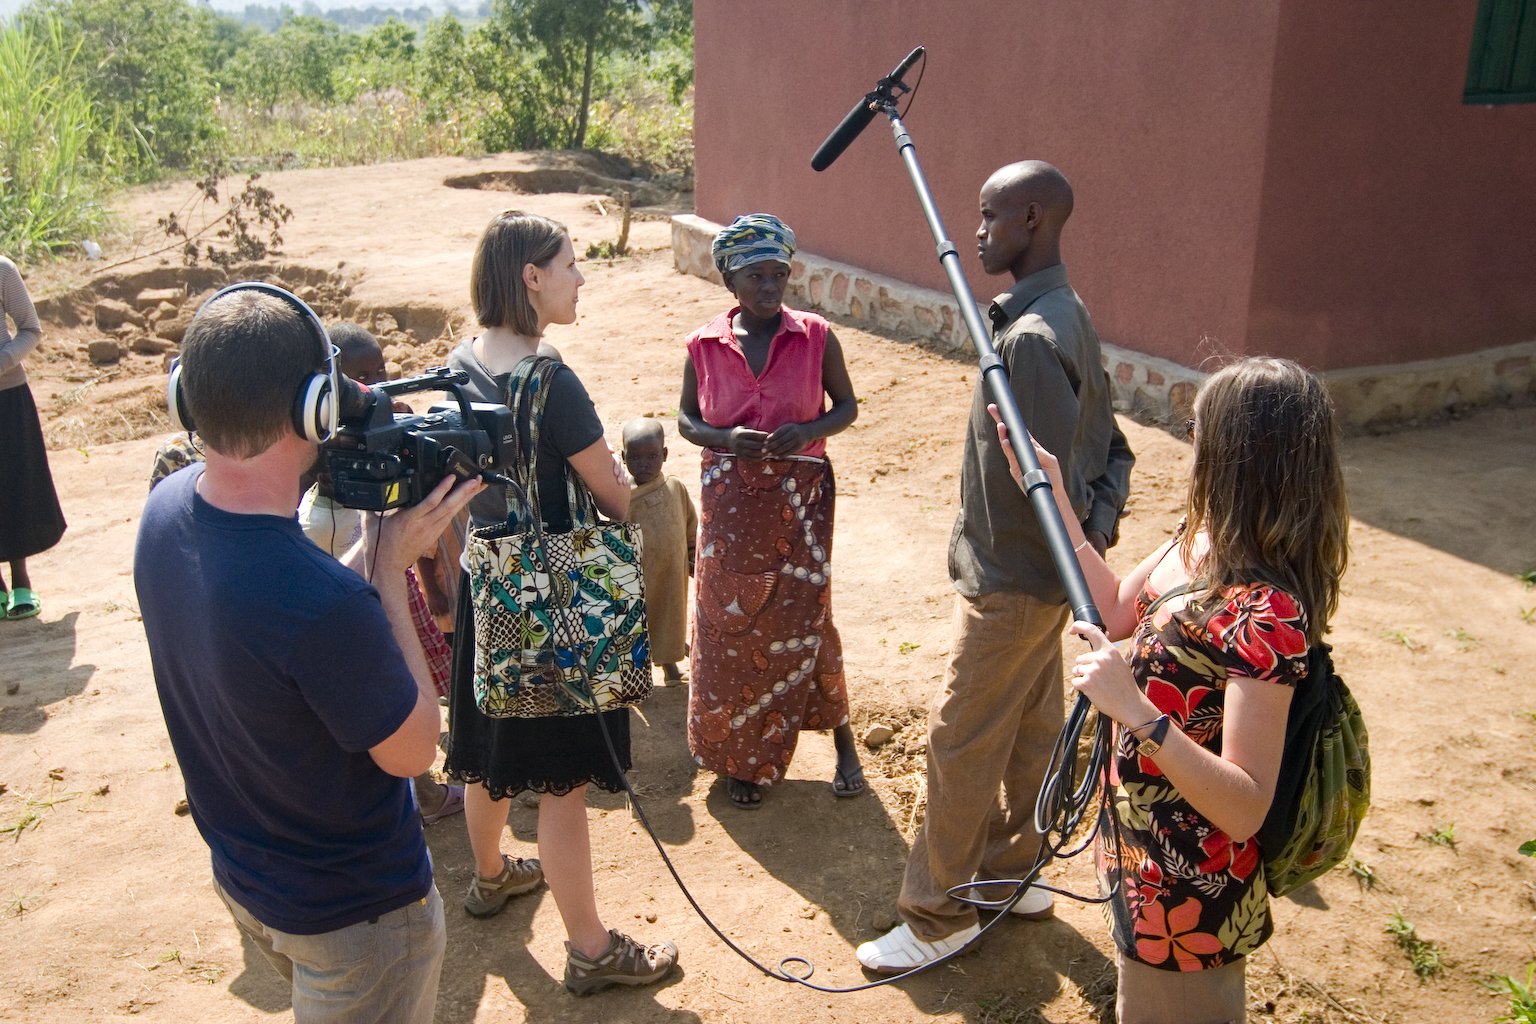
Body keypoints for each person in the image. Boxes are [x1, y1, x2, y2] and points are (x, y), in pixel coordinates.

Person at [134, 285, 483, 1023]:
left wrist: (365, 558)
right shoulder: (327, 604)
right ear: (316, 409)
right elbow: (415, 749)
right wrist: (387, 574)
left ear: (186, 398)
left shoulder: (164, 514)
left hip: (251, 879)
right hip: (358, 919)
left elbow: (287, 641)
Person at [993, 357, 1348, 1023]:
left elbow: (1244, 807)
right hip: (1143, 856)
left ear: (1236, 456)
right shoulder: (1200, 542)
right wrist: (1050, 493)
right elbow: (1116, 608)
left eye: (1199, 432)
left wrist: (1137, 712)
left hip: (1193, 892)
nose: (1188, 447)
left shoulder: (1267, 610)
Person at [859, 161, 1135, 971]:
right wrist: (1089, 553)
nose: (976, 232)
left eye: (989, 216)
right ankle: (1019, 872)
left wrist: (1085, 543)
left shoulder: (1031, 343)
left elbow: (1057, 489)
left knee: (962, 741)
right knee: (1030, 728)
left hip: (1012, 584)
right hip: (1044, 582)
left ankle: (939, 916)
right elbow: (1114, 453)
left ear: (1034, 218)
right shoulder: (1062, 313)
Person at [443, 210, 679, 995]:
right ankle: (590, 947)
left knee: (486, 751)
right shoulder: (553, 381)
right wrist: (612, 471)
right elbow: (614, 499)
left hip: (491, 590)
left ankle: (488, 877)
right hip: (558, 607)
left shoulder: (458, 365)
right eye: (570, 265)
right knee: (563, 786)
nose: (582, 278)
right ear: (531, 278)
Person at [677, 213, 865, 811]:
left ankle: (844, 744)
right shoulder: (704, 344)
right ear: (731, 278)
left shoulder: (814, 336)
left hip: (800, 505)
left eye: (778, 274)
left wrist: (806, 429)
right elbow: (686, 420)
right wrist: (727, 439)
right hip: (730, 509)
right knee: (731, 626)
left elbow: (847, 408)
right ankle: (742, 759)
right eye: (756, 275)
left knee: (808, 617)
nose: (769, 287)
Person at [296, 322, 464, 827]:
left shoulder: (394, 427)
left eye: (380, 371)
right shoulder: (318, 500)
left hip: (394, 589)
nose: (374, 385)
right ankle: (421, 793)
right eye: (359, 378)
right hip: (366, 602)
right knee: (389, 704)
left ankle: (424, 789)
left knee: (408, 696)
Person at [0, 255, 67, 621]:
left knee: (14, 484)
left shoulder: (2, 270)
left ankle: (20, 578)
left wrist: (0, 361)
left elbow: (31, 330)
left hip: (6, 396)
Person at [621, 417, 697, 683]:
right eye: (635, 457)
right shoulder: (621, 498)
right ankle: (638, 676)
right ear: (623, 457)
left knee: (670, 618)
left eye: (652, 456)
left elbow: (690, 523)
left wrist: (692, 555)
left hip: (672, 572)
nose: (644, 464)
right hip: (638, 576)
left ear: (664, 454)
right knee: (637, 623)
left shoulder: (675, 487)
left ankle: (670, 668)